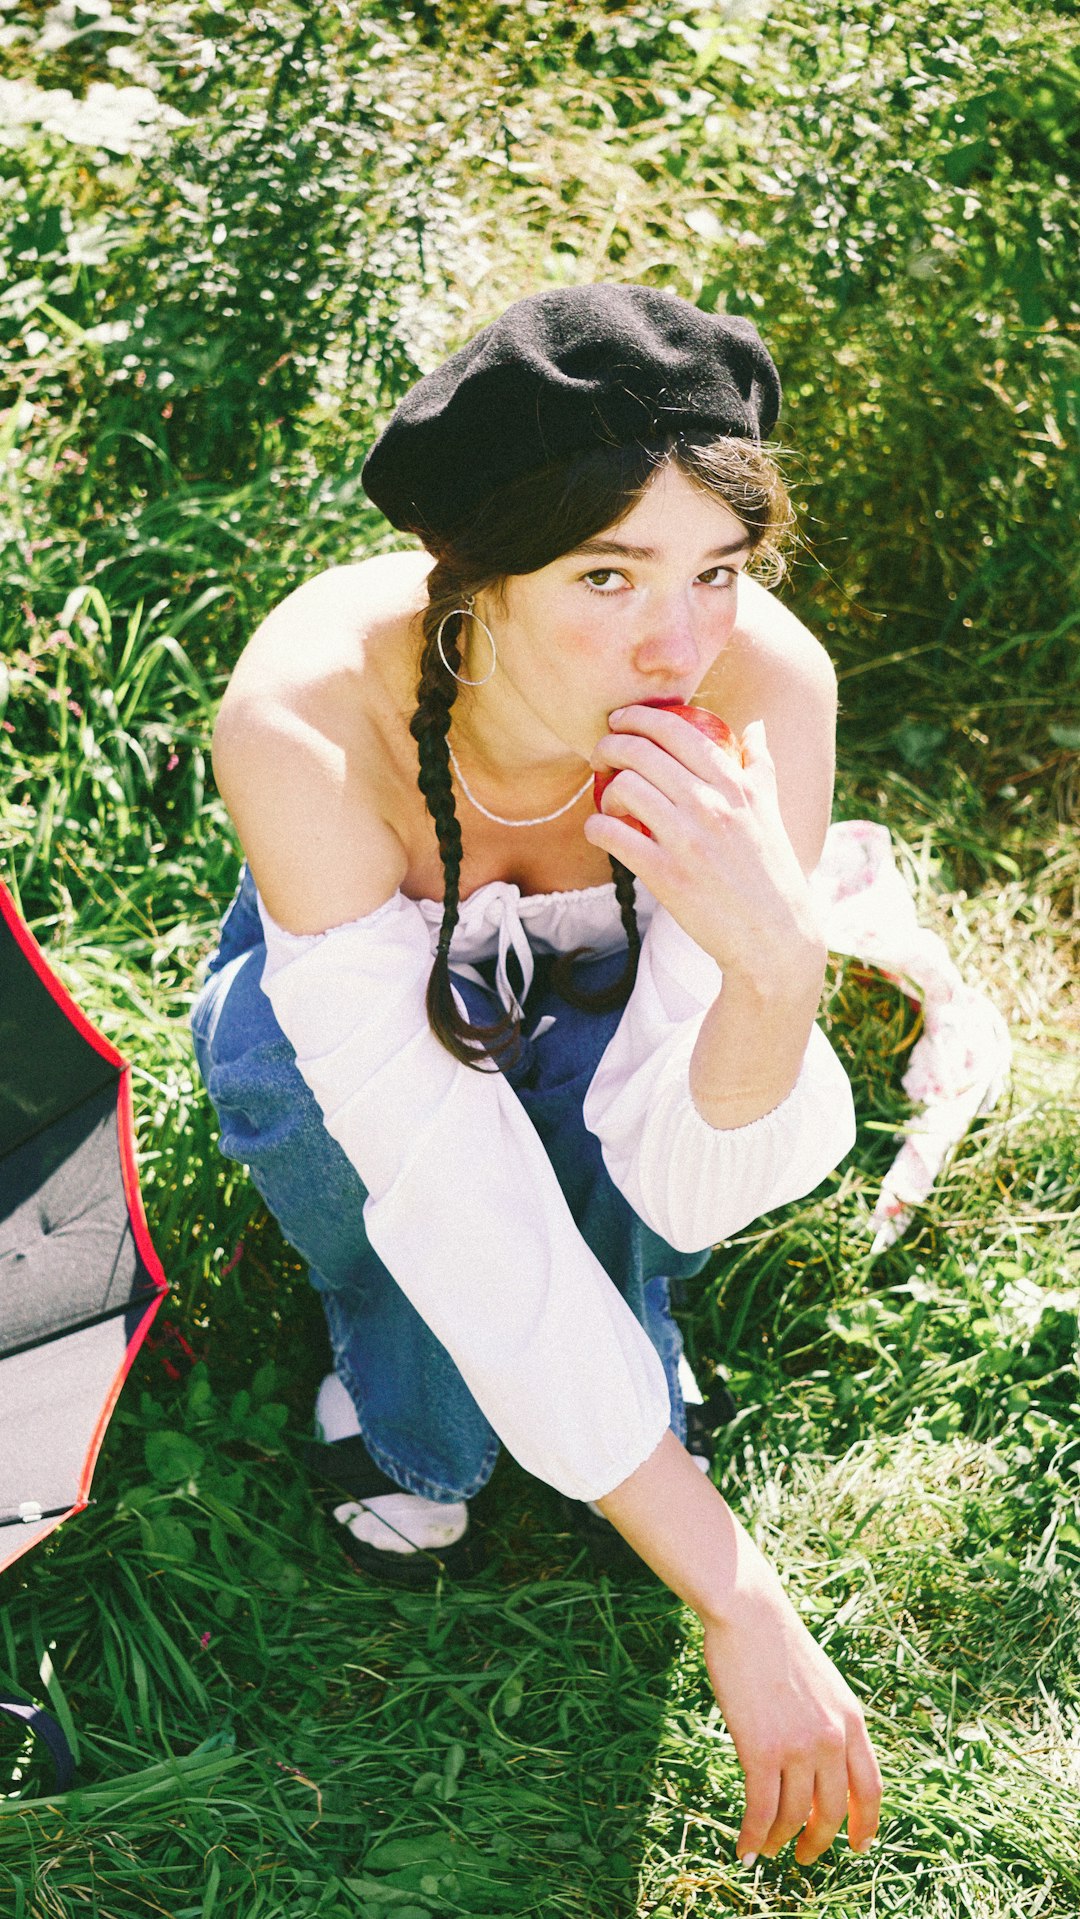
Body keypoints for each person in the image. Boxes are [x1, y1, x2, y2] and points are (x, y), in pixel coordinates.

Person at [189, 282, 882, 1867]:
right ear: (479, 579)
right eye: (608, 576)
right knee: (371, 1186)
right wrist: (738, 1591)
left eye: (718, 571)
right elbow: (447, 1185)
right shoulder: (307, 718)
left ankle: (626, 1353)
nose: (680, 640)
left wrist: (775, 959)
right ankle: (411, 1403)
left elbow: (700, 1169)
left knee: (622, 1177)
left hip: (625, 1010)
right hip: (360, 1037)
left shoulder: (760, 693)